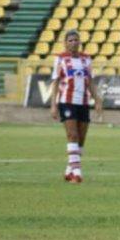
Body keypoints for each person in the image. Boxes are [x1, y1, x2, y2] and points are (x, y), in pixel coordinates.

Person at [49, 29, 102, 183]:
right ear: (65, 43)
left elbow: (90, 81)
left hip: (83, 102)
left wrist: (97, 99)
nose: (73, 42)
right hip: (66, 101)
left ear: (80, 42)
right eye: (70, 40)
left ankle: (69, 170)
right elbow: (56, 82)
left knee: (81, 140)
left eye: (76, 40)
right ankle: (77, 173)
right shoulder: (60, 59)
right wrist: (53, 104)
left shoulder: (86, 59)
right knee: (72, 135)